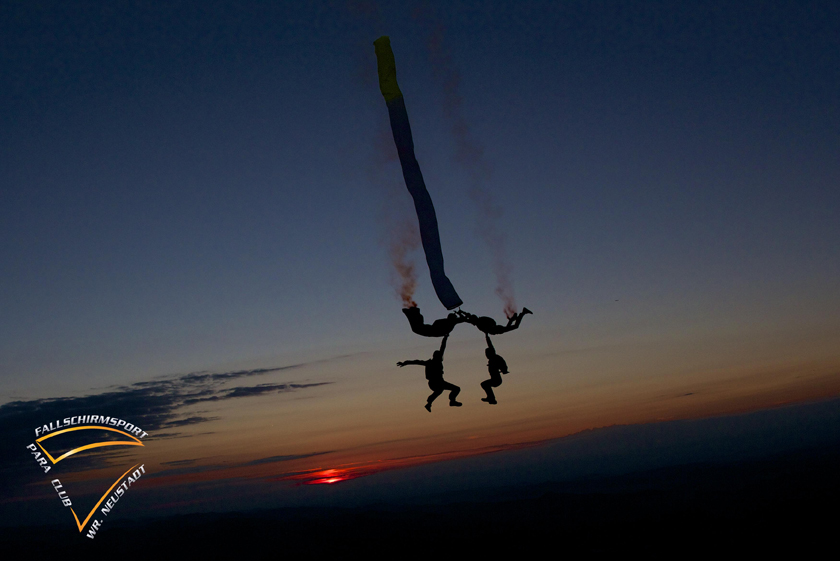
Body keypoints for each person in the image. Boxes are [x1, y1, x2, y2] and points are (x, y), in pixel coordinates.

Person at [397, 334, 462, 411]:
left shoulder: (438, 361)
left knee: (455, 389)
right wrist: (405, 363)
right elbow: (416, 362)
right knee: (440, 390)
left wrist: (445, 338)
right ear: (435, 357)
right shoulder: (430, 363)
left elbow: (443, 347)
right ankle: (431, 402)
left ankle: (438, 402)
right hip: (434, 383)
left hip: (440, 382)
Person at [458, 307, 533, 335]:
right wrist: (461, 313)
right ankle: (516, 317)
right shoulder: (479, 321)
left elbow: (467, 319)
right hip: (494, 329)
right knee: (508, 327)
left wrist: (461, 313)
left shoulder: (478, 322)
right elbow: (467, 318)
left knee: (514, 326)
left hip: (494, 329)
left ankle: (522, 313)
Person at [402, 306, 468, 337]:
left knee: (417, 328)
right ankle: (414, 312)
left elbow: (464, 319)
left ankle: (413, 312)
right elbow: (463, 319)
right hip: (433, 330)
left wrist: (460, 313)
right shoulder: (452, 321)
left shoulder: (452, 321)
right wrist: (460, 313)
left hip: (433, 331)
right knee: (417, 327)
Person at [480, 334, 509, 404]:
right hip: (495, 379)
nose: (486, 356)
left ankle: (491, 398)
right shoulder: (492, 359)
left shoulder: (495, 358)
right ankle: (491, 398)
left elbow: (490, 346)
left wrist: (487, 337)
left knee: (484, 384)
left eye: (487, 354)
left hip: (497, 380)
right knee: (485, 384)